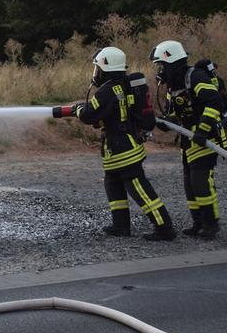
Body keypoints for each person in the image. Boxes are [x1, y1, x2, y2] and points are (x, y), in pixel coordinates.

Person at [75, 46, 176, 241]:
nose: (96, 73)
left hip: (122, 148)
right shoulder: (123, 85)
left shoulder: (106, 91)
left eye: (98, 68)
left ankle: (164, 227)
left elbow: (88, 115)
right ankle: (120, 226)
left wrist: (78, 109)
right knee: (113, 184)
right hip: (119, 145)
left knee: (138, 187)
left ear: (106, 67)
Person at [150, 40, 227, 239]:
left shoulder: (195, 77)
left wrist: (203, 129)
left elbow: (215, 103)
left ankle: (211, 224)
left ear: (172, 63)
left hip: (206, 137)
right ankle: (198, 223)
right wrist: (167, 122)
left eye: (162, 66)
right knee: (190, 183)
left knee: (200, 181)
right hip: (188, 139)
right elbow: (174, 112)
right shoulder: (174, 85)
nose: (160, 71)